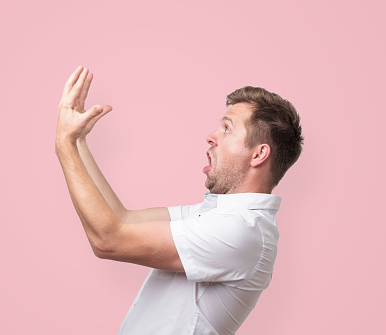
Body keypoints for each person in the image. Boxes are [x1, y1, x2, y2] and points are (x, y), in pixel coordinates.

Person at [55, 66, 304, 335]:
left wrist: (64, 144)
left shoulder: (241, 231)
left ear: (258, 155)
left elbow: (109, 241)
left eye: (227, 129)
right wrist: (78, 141)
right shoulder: (216, 217)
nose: (211, 136)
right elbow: (122, 219)